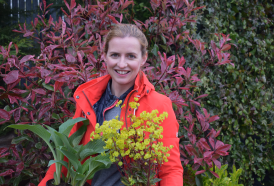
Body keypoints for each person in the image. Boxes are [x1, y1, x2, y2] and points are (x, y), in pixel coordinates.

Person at [39, 24, 183, 186]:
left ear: (143, 59)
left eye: (130, 56)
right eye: (115, 55)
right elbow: (66, 154)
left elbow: (170, 170)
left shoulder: (159, 105)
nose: (122, 64)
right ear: (105, 56)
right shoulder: (89, 100)